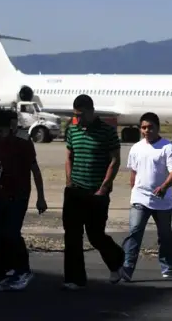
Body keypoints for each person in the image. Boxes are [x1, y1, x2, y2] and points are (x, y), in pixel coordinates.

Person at [0, 109, 47, 292]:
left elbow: (35, 171)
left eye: (0, 131)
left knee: (12, 233)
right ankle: (0, 273)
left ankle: (23, 270)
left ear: (10, 128)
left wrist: (41, 198)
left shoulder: (23, 144)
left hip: (19, 195)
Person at [63, 94, 125, 290]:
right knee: (72, 236)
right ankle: (75, 279)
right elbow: (69, 156)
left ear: (91, 112)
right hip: (74, 191)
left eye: (80, 115)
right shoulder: (72, 130)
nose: (77, 119)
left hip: (96, 192)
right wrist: (69, 180)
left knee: (95, 235)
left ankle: (116, 258)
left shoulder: (107, 132)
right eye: (75, 115)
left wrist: (105, 186)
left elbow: (115, 160)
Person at [122, 112, 172, 280]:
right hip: (140, 198)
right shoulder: (136, 148)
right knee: (134, 232)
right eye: (144, 127)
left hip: (162, 201)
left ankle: (169, 265)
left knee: (165, 235)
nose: (147, 131)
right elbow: (133, 171)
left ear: (157, 128)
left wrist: (164, 187)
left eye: (150, 127)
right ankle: (127, 267)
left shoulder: (168, 148)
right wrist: (133, 191)